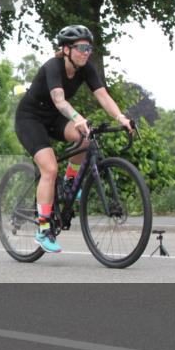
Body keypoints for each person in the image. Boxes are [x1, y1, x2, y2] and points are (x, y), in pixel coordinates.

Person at [14, 25, 132, 253]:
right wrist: (78, 117)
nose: (86, 52)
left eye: (89, 48)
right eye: (81, 48)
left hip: (54, 118)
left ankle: (70, 182)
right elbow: (59, 100)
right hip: (30, 119)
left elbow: (103, 96)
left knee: (85, 138)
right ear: (66, 49)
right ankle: (43, 229)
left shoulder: (86, 69)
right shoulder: (53, 67)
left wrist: (121, 117)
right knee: (49, 169)